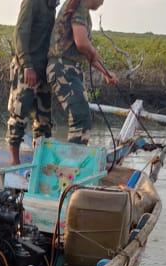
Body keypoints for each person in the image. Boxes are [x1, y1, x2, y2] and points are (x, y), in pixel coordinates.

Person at [47, 0, 118, 145]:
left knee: (82, 117)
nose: (102, 3)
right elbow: (82, 43)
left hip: (69, 68)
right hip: (63, 68)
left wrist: (105, 73)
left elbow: (85, 51)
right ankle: (74, 162)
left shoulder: (80, 9)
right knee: (80, 118)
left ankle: (75, 159)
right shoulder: (79, 8)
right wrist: (93, 50)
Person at [6, 0, 59, 165]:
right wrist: (27, 65)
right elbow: (20, 33)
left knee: (44, 121)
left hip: (43, 71)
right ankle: (14, 163)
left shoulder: (53, 6)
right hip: (27, 69)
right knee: (18, 116)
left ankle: (39, 163)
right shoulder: (32, 2)